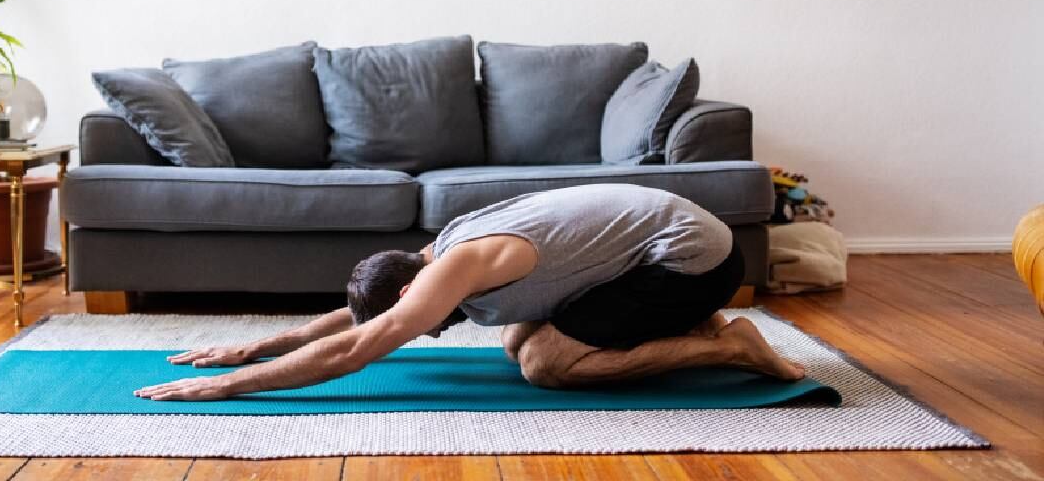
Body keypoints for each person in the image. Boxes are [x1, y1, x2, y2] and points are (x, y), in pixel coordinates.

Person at [135, 184, 805, 402]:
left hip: (695, 260)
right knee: (518, 339)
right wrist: (259, 344)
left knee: (545, 363)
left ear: (412, 287)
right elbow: (362, 318)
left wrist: (228, 388)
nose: (424, 331)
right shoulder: (438, 255)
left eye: (415, 318)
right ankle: (695, 325)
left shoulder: (455, 269)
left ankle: (733, 347)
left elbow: (358, 348)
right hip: (660, 245)